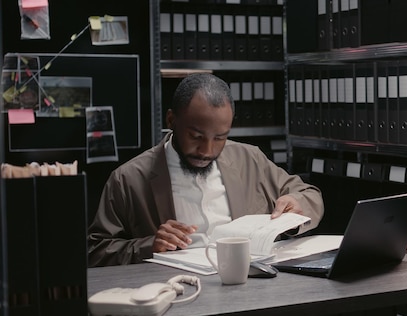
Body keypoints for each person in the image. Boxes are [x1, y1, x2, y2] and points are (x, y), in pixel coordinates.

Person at [88, 73, 324, 267]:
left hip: (250, 286)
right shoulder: (128, 179)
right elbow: (95, 251)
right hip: (176, 293)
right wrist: (149, 246)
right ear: (171, 121)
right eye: (196, 136)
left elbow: (309, 194)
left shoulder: (249, 159)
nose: (207, 151)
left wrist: (296, 203)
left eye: (220, 138)